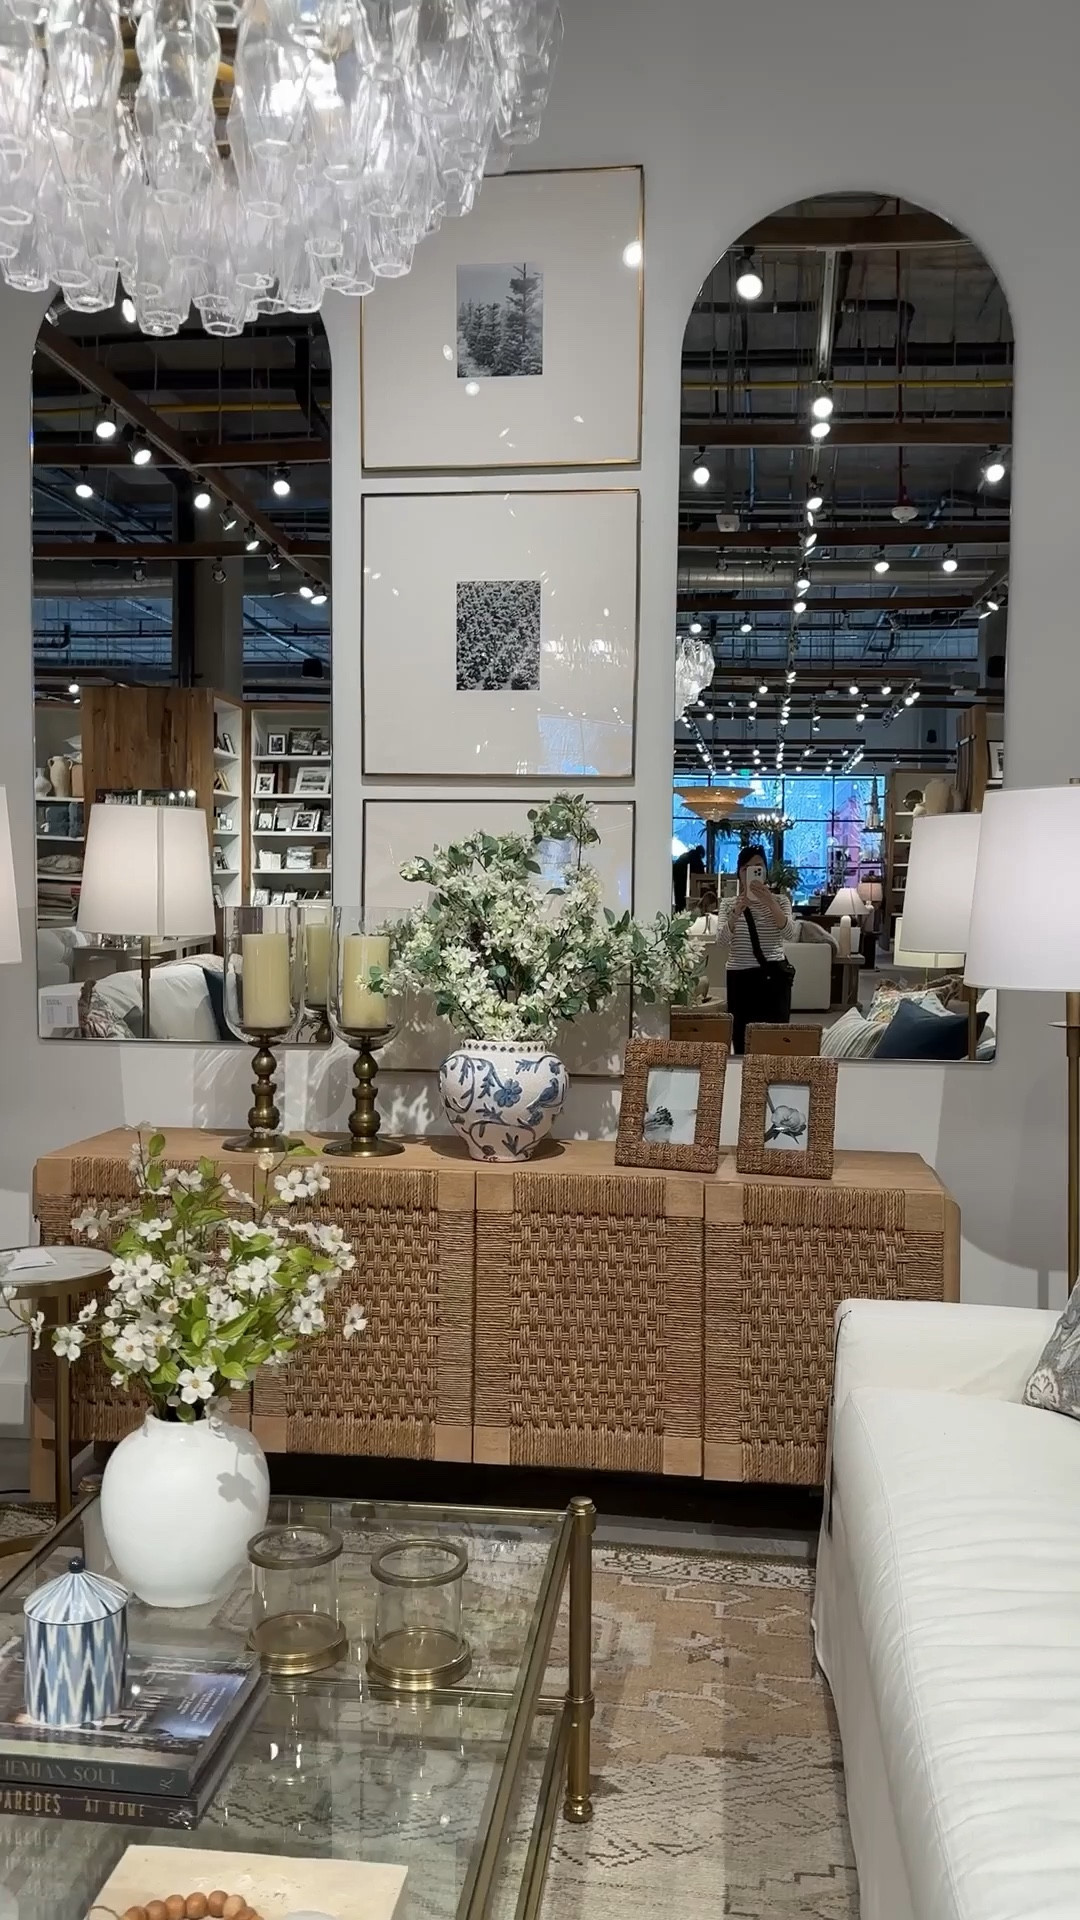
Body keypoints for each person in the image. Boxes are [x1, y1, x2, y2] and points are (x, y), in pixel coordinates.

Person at [716, 845, 796, 1054]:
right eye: (747, 868)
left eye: (758, 867)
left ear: (765, 871)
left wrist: (771, 903)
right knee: (742, 1038)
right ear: (739, 873)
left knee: (775, 1038)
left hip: (773, 977)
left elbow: (790, 934)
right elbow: (722, 942)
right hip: (739, 978)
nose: (752, 872)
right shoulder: (728, 904)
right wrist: (735, 914)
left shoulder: (780, 901)